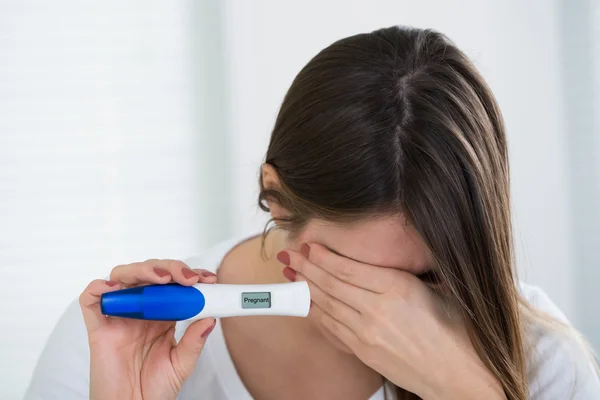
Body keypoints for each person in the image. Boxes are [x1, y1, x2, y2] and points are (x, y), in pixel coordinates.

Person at [25, 26, 600, 400]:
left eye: (427, 275)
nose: (397, 307)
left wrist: (466, 390)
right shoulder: (107, 347)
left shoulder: (544, 361)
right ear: (275, 198)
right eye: (358, 274)